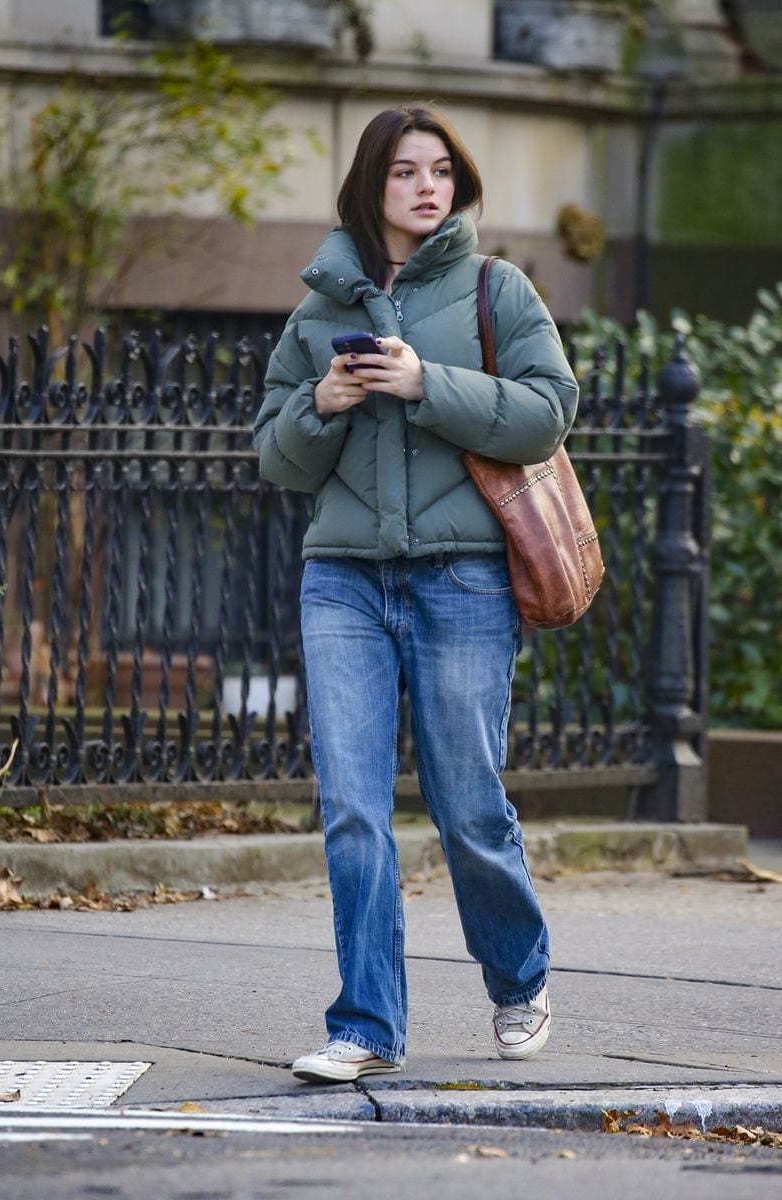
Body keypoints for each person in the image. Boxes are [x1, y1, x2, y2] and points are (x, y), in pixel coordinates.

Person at [253, 104, 579, 1084]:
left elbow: (547, 411)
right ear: (369, 185)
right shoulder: (317, 312)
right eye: (404, 171)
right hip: (343, 580)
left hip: (462, 578)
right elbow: (276, 458)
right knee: (352, 808)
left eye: (440, 169)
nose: (426, 186)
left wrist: (423, 381)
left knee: (467, 803)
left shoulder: (495, 288)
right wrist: (322, 403)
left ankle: (518, 979)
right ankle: (365, 1025)